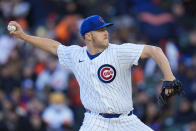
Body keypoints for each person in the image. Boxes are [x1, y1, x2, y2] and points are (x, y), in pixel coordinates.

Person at [8, 15, 178, 131]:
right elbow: (53, 46)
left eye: (106, 29)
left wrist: (169, 79)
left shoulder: (119, 52)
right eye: (101, 30)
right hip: (96, 121)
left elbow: (155, 51)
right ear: (88, 36)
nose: (106, 33)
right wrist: (24, 36)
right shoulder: (76, 55)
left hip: (127, 120)